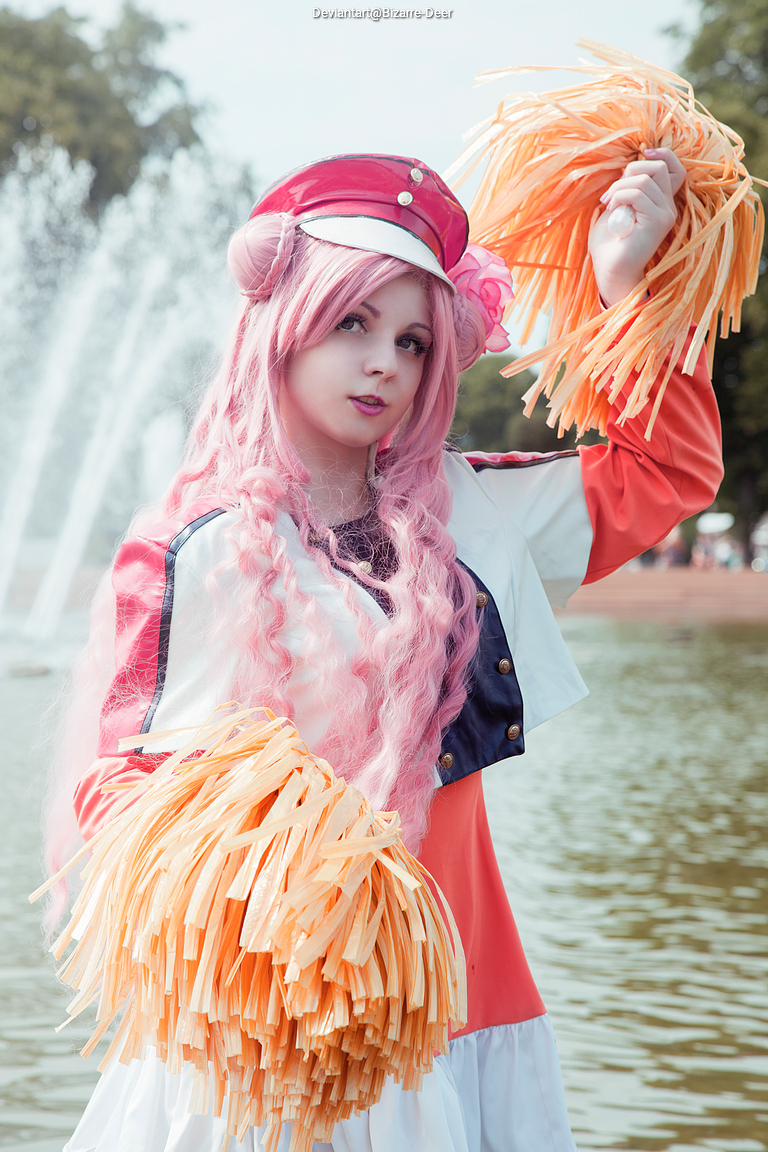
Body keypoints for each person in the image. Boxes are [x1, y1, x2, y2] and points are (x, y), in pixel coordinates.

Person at [48, 150, 723, 1152]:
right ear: (282, 324)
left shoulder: (481, 516)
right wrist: (257, 867)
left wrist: (631, 288)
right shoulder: (193, 550)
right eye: (352, 323)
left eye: (413, 341)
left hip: (451, 1005)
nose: (384, 364)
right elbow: (119, 792)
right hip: (266, 1029)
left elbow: (668, 468)